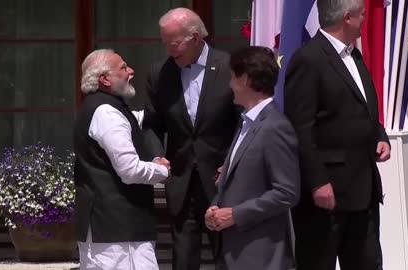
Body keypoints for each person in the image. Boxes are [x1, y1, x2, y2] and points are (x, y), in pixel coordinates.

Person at [283, 0, 391, 269]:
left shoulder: (354, 56)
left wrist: (380, 135)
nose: (365, 19)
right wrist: (317, 181)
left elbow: (363, 109)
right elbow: (300, 127)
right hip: (326, 194)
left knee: (367, 263)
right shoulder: (308, 59)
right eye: (362, 14)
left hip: (362, 189)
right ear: (347, 18)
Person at [144, 7, 240, 270]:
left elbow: (244, 123)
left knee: (228, 257)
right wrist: (156, 157)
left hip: (222, 179)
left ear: (195, 38)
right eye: (164, 43)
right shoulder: (160, 73)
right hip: (181, 180)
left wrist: (232, 163)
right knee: (183, 258)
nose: (168, 51)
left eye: (173, 44)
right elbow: (151, 124)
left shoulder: (229, 67)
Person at [73, 49, 171, 270]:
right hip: (116, 233)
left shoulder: (104, 108)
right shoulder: (107, 112)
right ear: (105, 79)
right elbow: (130, 170)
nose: (131, 71)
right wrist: (163, 170)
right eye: (123, 68)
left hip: (112, 230)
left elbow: (132, 123)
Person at [205, 46, 300, 270]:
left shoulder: (275, 127)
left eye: (232, 77)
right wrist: (215, 208)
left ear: (245, 79)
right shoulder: (246, 123)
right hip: (233, 252)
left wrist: (236, 215)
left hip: (261, 256)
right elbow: (234, 181)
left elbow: (287, 192)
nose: (229, 84)